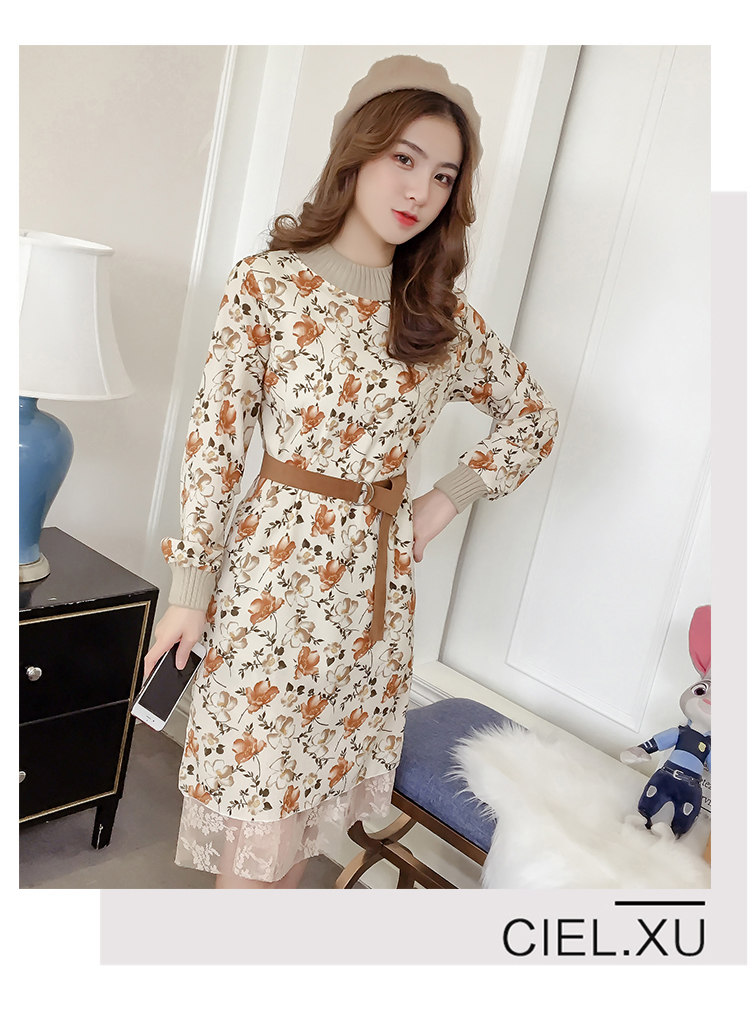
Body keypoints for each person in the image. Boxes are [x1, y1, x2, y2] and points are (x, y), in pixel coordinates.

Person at [143, 55, 559, 889]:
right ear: (358, 152)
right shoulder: (268, 284)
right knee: (256, 815)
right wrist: (190, 587)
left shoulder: (438, 315)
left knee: (300, 820)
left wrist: (442, 501)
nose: (420, 190)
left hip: (374, 602)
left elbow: (533, 417)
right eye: (404, 158)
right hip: (272, 588)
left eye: (443, 176)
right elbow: (215, 442)